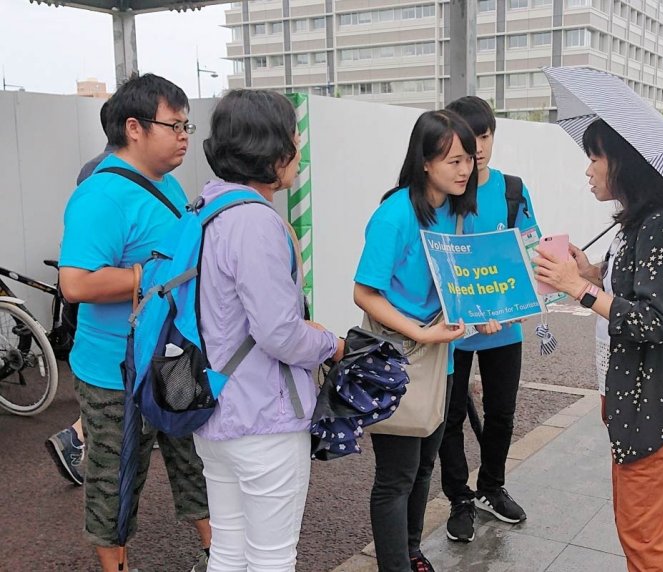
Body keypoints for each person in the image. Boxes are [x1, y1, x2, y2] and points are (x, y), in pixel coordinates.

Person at [533, 118, 663, 572]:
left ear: (625, 163)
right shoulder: (635, 225)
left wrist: (580, 290)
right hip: (631, 398)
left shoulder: (662, 226)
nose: (588, 171)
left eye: (595, 158)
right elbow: (630, 291)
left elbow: (655, 321)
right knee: (639, 532)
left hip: (656, 402)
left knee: (646, 541)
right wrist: (590, 272)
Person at [59, 73, 211, 572]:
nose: (185, 135)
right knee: (117, 477)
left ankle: (223, 555)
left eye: (187, 124)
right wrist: (150, 276)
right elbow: (76, 284)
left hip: (170, 358)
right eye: (175, 124)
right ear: (135, 128)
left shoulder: (166, 183)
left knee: (195, 461)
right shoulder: (100, 196)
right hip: (114, 372)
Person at [192, 89, 345, 571]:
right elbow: (278, 333)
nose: (299, 153)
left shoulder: (203, 211)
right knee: (272, 559)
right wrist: (330, 344)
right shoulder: (255, 221)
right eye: (294, 140)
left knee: (230, 548)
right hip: (264, 417)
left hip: (213, 412)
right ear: (271, 149)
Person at [353, 110, 479, 572]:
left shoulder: (455, 211)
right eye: (454, 161)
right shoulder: (394, 215)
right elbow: (364, 293)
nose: (465, 169)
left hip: (439, 362)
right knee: (396, 477)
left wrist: (480, 311)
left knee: (426, 464)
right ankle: (395, 564)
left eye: (469, 159)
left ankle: (410, 549)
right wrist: (421, 332)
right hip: (397, 361)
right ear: (425, 162)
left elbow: (454, 282)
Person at [437, 96, 539, 542]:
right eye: (468, 137)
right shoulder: (442, 195)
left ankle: (491, 487)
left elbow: (529, 255)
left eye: (484, 135)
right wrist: (470, 314)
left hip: (504, 330)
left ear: (493, 136)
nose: (477, 147)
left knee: (502, 413)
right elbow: (434, 266)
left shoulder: (512, 190)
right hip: (454, 333)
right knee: (450, 417)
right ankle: (459, 497)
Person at [46, 98, 119, 487]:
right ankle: (74, 437)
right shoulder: (110, 174)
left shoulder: (90, 168)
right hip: (107, 302)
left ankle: (75, 436)